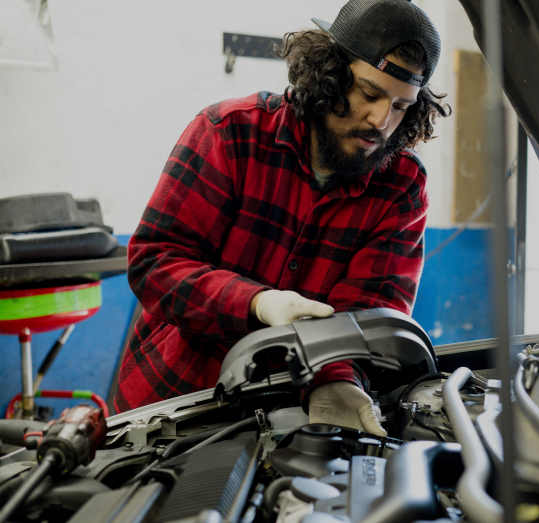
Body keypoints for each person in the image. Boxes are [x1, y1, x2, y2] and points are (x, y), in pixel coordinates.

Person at [114, 0, 450, 436]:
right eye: (369, 93)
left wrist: (337, 382)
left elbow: (371, 311)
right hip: (173, 404)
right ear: (329, 73)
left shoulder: (401, 186)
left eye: (401, 106)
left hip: (294, 417)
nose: (381, 120)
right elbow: (154, 262)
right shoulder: (228, 133)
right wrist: (258, 304)